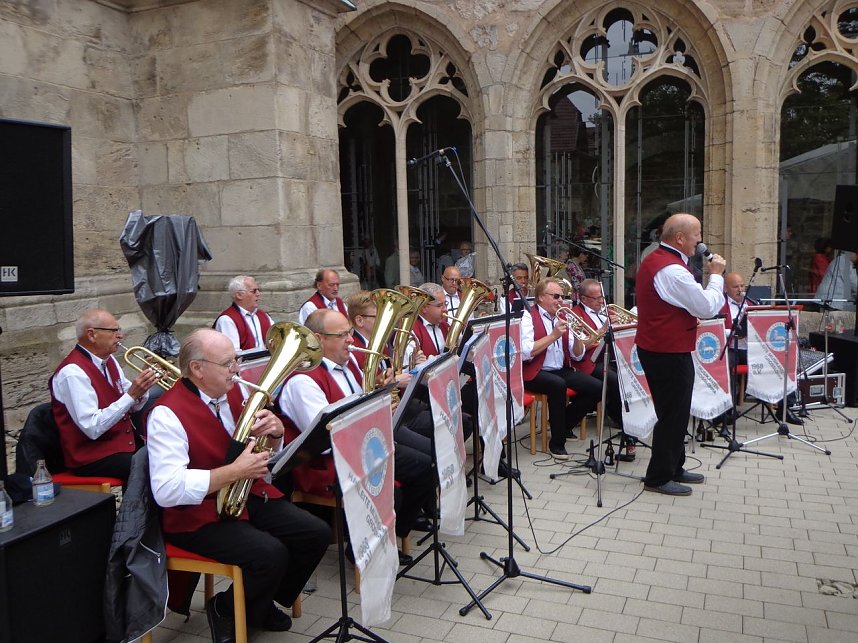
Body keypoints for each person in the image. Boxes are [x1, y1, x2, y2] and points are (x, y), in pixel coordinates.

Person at [147, 328, 331, 640]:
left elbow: (259, 454)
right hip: (196, 514)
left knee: (315, 534)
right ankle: (227, 609)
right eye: (228, 363)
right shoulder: (166, 414)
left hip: (242, 496)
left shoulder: (233, 393)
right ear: (197, 368)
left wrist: (274, 434)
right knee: (269, 554)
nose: (237, 370)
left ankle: (258, 602)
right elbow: (167, 489)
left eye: (236, 361)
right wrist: (233, 472)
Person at [277, 309, 435, 555]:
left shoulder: (349, 365)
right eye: (342, 335)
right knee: (400, 485)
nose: (351, 339)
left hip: (362, 446)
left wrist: (382, 399)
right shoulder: (303, 382)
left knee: (427, 463)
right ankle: (361, 551)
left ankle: (396, 533)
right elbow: (327, 440)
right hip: (329, 463)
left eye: (350, 332)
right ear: (319, 339)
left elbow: (360, 407)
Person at [635, 213, 726, 496]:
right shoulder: (671, 270)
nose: (701, 240)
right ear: (680, 238)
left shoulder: (662, 261)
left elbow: (675, 304)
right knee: (673, 413)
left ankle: (674, 466)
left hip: (664, 346)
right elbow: (706, 306)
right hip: (666, 350)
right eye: (697, 234)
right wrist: (716, 277)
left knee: (676, 410)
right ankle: (658, 477)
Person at [49, 309, 159, 483]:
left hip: (121, 443)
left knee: (165, 455)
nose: (120, 336)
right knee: (147, 467)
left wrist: (144, 387)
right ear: (92, 335)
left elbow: (132, 405)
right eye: (114, 331)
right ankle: (135, 510)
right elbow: (92, 427)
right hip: (90, 456)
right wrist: (131, 395)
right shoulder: (72, 373)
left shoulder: (109, 361)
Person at [520, 278, 601, 459]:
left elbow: (577, 355)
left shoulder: (564, 316)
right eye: (556, 296)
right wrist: (554, 335)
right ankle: (557, 443)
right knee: (557, 385)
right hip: (535, 371)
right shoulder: (527, 316)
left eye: (562, 297)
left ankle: (562, 425)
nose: (560, 301)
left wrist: (579, 335)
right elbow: (526, 352)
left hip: (560, 368)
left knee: (597, 388)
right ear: (541, 297)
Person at [721, 272, 802, 425]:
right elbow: (716, 330)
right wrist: (733, 331)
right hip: (732, 348)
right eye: (735, 286)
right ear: (726, 288)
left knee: (782, 361)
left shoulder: (752, 303)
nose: (740, 289)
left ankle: (785, 408)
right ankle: (726, 410)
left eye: (742, 285)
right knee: (726, 365)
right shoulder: (719, 303)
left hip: (753, 349)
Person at [570, 279, 626, 432]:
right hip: (588, 361)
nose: (601, 301)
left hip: (609, 356)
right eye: (596, 298)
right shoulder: (576, 315)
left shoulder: (604, 310)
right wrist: (604, 329)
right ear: (584, 299)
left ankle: (628, 414)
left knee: (628, 373)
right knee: (615, 379)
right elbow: (581, 346)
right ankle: (617, 417)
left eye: (602, 297)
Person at [213, 275, 274, 350]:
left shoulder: (264, 316)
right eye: (254, 291)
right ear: (239, 295)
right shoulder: (227, 320)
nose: (258, 294)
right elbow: (233, 353)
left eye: (258, 290)